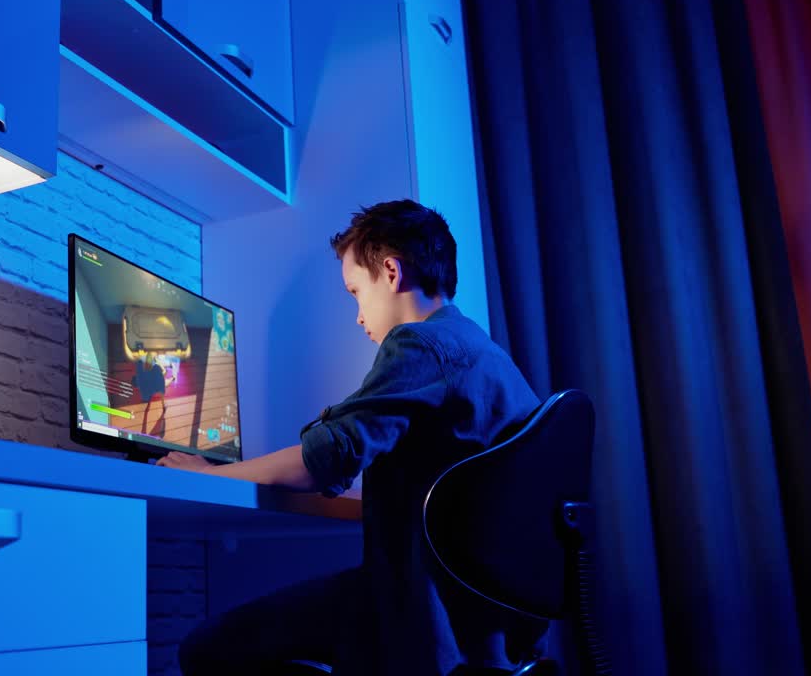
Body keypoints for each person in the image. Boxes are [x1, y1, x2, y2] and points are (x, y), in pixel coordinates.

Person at [158, 200, 547, 675]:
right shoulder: (481, 351)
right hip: (483, 627)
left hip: (425, 615)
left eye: (355, 292)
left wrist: (211, 474)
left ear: (389, 272)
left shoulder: (420, 344)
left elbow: (327, 455)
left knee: (206, 649)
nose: (359, 316)